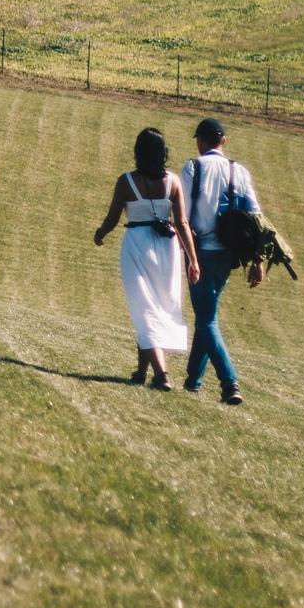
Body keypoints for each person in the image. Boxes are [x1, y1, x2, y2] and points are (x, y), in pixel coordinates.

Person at [94, 127, 202, 390]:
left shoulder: (126, 181)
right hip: (167, 248)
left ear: (137, 152)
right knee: (156, 306)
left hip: (137, 245)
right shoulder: (173, 182)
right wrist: (193, 260)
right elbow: (183, 223)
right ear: (163, 153)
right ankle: (141, 371)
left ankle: (162, 374)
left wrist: (100, 233)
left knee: (144, 308)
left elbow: (112, 217)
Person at [180, 117, 263, 405]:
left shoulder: (193, 167)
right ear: (223, 141)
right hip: (229, 256)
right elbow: (255, 220)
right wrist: (258, 261)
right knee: (208, 317)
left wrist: (189, 256)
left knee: (206, 320)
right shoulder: (239, 171)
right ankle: (192, 381)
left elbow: (183, 217)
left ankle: (230, 383)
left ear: (200, 142)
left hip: (200, 252)